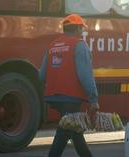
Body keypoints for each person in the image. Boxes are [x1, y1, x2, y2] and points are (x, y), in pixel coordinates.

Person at [39, 13, 99, 157]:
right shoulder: (79, 45)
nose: (82, 32)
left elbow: (41, 75)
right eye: (81, 29)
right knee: (67, 131)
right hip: (71, 98)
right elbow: (85, 75)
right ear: (78, 28)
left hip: (54, 97)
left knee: (73, 131)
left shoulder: (52, 45)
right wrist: (94, 100)